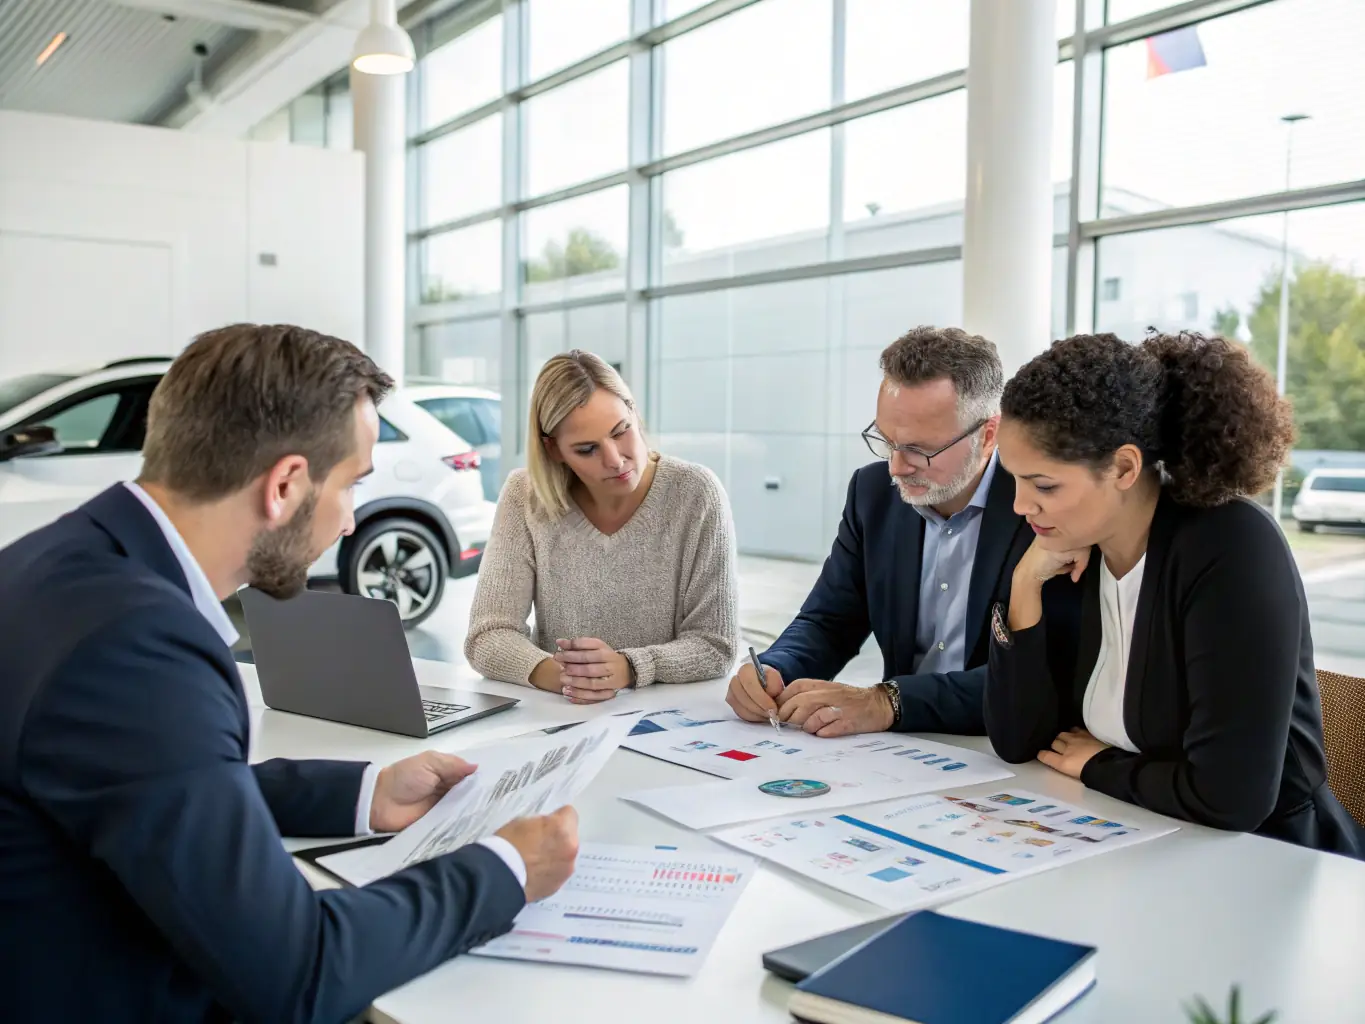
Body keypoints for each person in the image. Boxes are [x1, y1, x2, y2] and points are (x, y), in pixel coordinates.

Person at [0, 325, 582, 1024]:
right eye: (352, 485)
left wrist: (363, 794)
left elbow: (154, 783)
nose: (350, 522)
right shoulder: (141, 647)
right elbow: (298, 973)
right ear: (284, 485)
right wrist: (505, 871)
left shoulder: (50, 561)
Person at [986, 331, 1363, 857]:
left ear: (1124, 468)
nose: (1021, 505)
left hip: (1272, 859)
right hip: (1137, 840)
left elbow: (1231, 798)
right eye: (1015, 480)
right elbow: (1019, 740)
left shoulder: (1231, 546)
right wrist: (1024, 585)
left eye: (1044, 485)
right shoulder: (1074, 544)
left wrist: (1098, 765)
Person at [725, 326, 1032, 737]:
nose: (896, 467)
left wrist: (889, 701)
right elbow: (830, 620)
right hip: (903, 748)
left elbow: (1038, 676)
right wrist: (775, 668)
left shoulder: (1038, 507)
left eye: (920, 450)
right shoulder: (873, 494)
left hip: (1002, 745)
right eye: (887, 441)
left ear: (988, 435)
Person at [465, 350, 738, 702]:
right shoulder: (526, 496)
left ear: (633, 412)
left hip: (665, 716)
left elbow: (716, 645)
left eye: (621, 431)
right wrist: (570, 678)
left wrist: (628, 668)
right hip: (560, 714)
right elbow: (487, 636)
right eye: (587, 449)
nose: (615, 460)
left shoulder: (695, 492)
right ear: (553, 450)